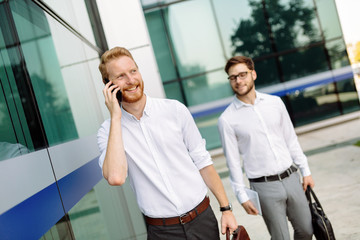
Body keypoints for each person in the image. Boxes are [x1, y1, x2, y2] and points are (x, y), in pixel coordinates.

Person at [96, 46, 238, 240]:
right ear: (108, 84)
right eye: (120, 76)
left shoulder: (175, 110)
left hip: (202, 220)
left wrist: (226, 209)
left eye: (133, 71)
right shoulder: (108, 131)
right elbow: (115, 177)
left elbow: (203, 161)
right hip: (162, 232)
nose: (131, 80)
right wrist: (115, 117)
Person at [217, 55, 315, 240]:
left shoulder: (275, 103)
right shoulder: (227, 119)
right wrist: (242, 195)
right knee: (281, 238)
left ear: (253, 74)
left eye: (242, 74)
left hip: (292, 177)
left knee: (306, 230)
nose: (238, 81)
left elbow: (290, 139)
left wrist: (306, 170)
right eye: (233, 77)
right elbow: (233, 163)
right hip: (264, 187)